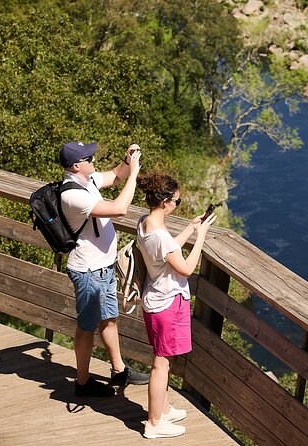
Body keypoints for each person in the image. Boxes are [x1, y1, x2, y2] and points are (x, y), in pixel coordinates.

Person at [59, 140, 149, 397]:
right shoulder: (72, 195)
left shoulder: (88, 181)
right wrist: (135, 174)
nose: (93, 160)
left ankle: (119, 371)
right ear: (76, 166)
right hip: (88, 271)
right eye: (89, 158)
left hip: (103, 267)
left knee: (109, 320)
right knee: (86, 327)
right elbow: (119, 209)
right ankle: (83, 382)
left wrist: (127, 160)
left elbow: (115, 176)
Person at [135, 172, 216, 439]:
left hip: (154, 299)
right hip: (166, 304)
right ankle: (154, 423)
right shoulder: (160, 236)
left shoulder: (144, 223)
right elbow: (186, 268)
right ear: (165, 202)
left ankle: (164, 408)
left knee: (163, 360)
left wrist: (191, 228)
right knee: (161, 364)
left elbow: (167, 252)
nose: (177, 205)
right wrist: (201, 236)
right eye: (177, 202)